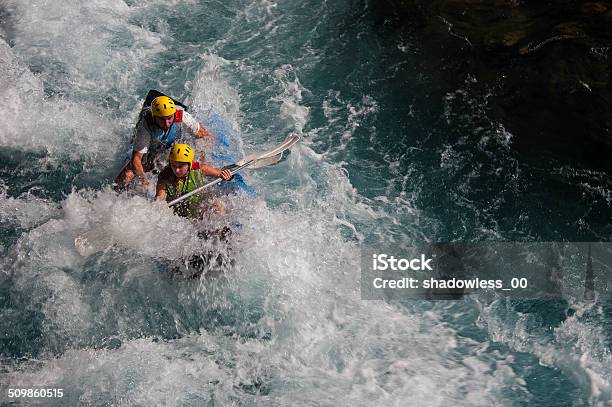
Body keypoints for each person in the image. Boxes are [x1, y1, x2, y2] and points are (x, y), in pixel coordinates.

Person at [114, 92, 214, 189]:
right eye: (162, 119)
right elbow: (136, 159)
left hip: (172, 145)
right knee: (128, 175)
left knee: (193, 158)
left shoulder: (182, 117)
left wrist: (202, 160)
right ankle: (114, 193)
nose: (167, 123)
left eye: (169, 118)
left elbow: (205, 136)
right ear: (154, 117)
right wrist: (143, 180)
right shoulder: (145, 127)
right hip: (152, 148)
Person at [155, 143, 232, 218]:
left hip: (199, 205)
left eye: (181, 166)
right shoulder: (164, 177)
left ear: (189, 165)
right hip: (178, 214)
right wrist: (160, 206)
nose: (177, 170)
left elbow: (220, 173)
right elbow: (159, 199)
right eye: (173, 165)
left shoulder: (200, 169)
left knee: (218, 205)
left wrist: (226, 175)